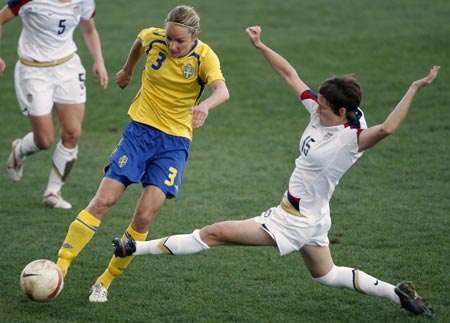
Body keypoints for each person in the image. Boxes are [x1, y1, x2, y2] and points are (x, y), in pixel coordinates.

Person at [113, 26, 439, 317]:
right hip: (314, 216)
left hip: (292, 220)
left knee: (212, 233)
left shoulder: (350, 140)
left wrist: (414, 88)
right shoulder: (321, 111)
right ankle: (395, 293)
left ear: (342, 113)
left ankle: (133, 247)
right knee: (326, 275)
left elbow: (388, 128)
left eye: (323, 105)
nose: (316, 105)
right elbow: (290, 75)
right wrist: (261, 46)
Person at [55, 5, 230, 302]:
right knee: (103, 201)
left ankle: (105, 280)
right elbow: (140, 41)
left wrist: (205, 106)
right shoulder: (154, 38)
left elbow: (222, 91)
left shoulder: (205, 57)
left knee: (144, 217)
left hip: (174, 144)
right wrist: (128, 69)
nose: (172, 45)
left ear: (195, 36)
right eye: (170, 38)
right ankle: (60, 267)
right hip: (139, 133)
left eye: (180, 41)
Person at [0, 0, 108, 209]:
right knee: (44, 140)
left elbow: (89, 29)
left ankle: (53, 192)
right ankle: (19, 150)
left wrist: (99, 61)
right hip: (33, 71)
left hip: (68, 67)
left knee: (72, 133)